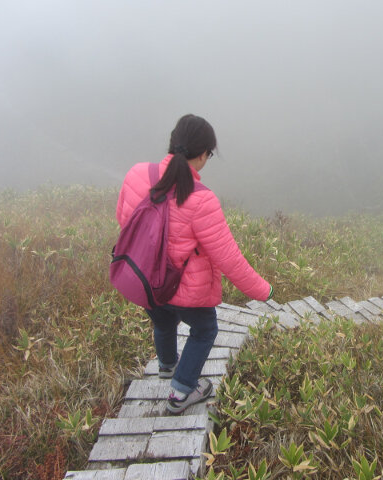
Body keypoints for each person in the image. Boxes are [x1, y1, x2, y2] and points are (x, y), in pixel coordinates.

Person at [116, 114, 273, 414]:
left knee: (162, 319)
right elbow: (229, 259)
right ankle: (181, 392)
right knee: (205, 329)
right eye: (209, 154)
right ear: (202, 154)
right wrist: (263, 290)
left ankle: (167, 366)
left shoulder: (137, 174)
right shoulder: (201, 200)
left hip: (144, 280)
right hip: (183, 289)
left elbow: (124, 220)